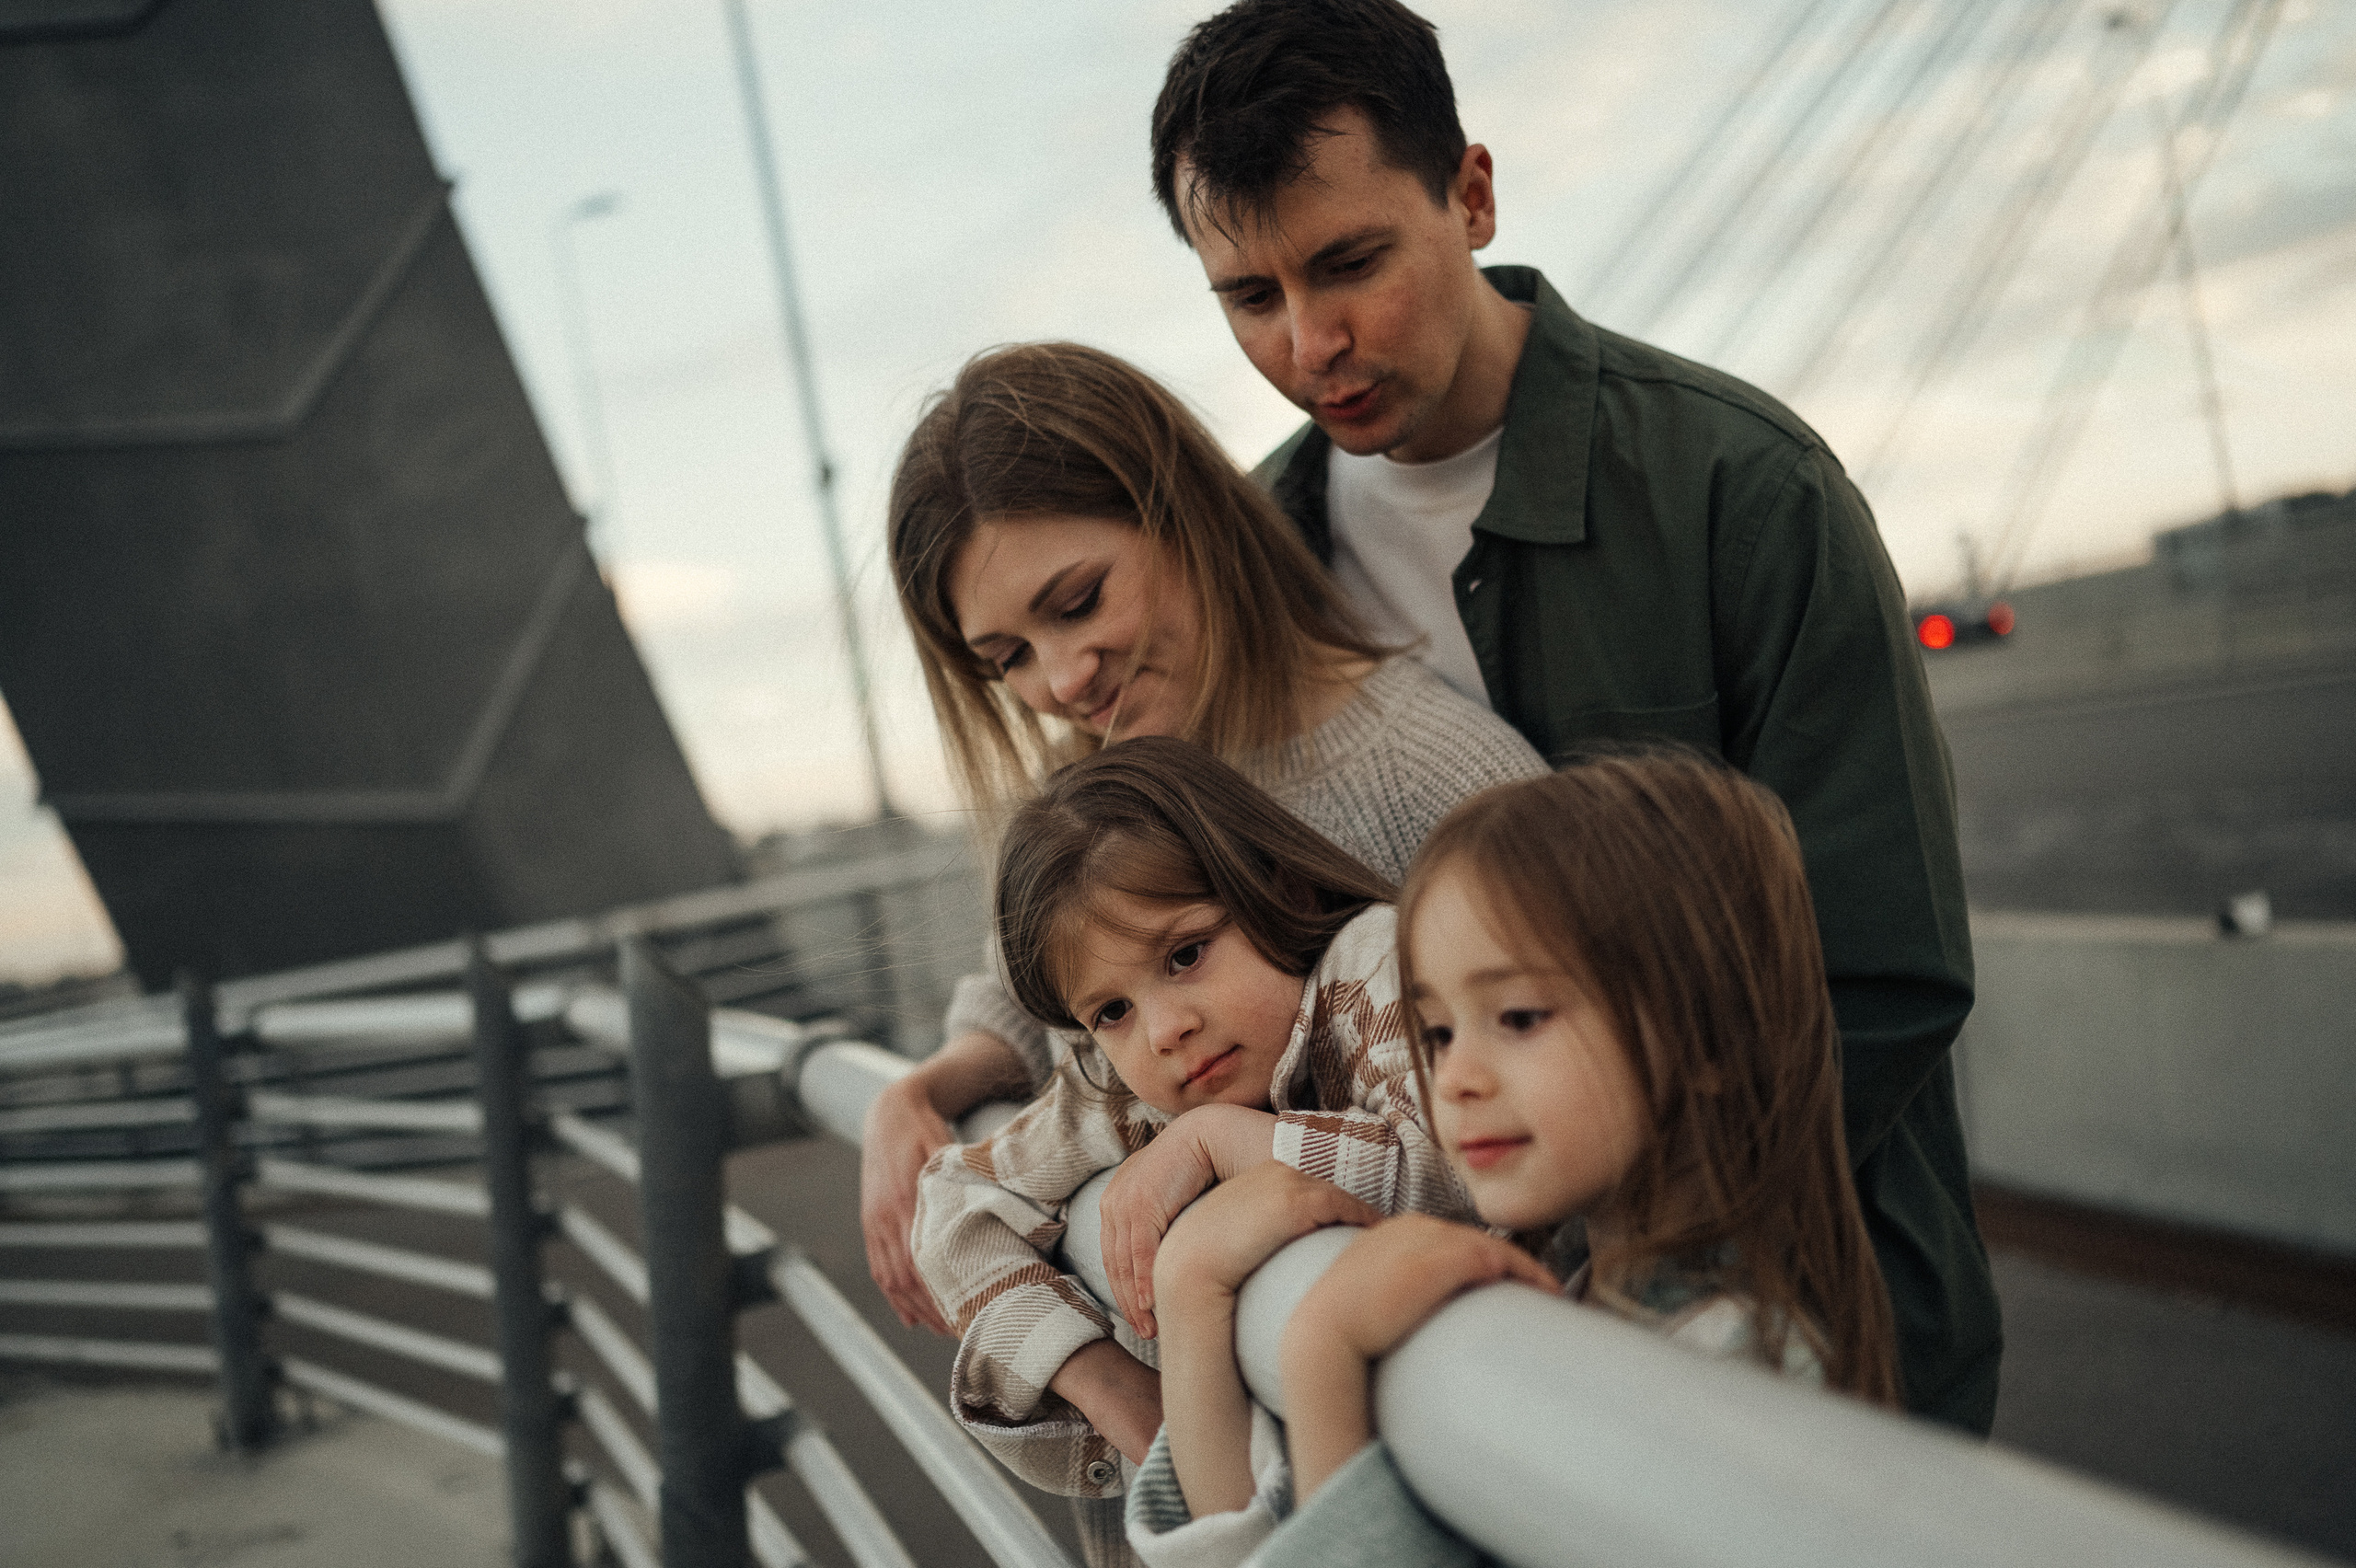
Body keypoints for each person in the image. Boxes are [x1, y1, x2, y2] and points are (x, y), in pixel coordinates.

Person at [1146, 0, 1998, 1430]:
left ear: (1472, 195)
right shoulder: (1246, 566)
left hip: (1805, 1342)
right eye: (1249, 298)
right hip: (1441, 1355)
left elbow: (1879, 970)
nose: (1310, 341)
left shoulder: (1745, 491)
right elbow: (1141, 880)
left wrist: (1600, 1253)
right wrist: (961, 1073)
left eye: (1352, 263)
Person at [866, 341, 1545, 1334]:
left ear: (1184, 514)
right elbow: (1030, 991)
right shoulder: (1102, 784)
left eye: (1079, 603)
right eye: (1008, 657)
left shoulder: (1437, 778)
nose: (1062, 680)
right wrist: (915, 1095)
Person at [1126, 750, 1902, 1567]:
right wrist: (1196, 1286)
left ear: (1708, 1035)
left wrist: (1325, 1359)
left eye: (1521, 1018)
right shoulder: (1567, 1283)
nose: (1453, 1079)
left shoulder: (1736, 1382)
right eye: (1437, 1032)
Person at [911, 738, 1477, 1504]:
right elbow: (952, 1198)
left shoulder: (1376, 962)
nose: (1164, 1031)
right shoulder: (1124, 1089)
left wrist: (1222, 1140)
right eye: (1112, 1011)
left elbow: (1459, 1167)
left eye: (1185, 955)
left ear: (1278, 888)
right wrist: (1108, 1385)